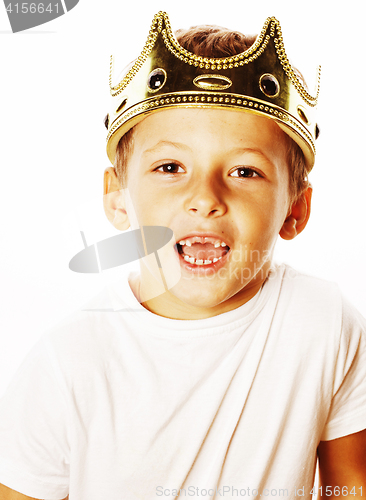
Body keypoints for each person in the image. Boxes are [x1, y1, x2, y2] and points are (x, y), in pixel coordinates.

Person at [0, 11, 365, 500]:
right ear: (117, 198)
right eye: (171, 166)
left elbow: (349, 487)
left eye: (245, 171)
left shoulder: (324, 322)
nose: (205, 197)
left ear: (295, 209)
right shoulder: (67, 363)